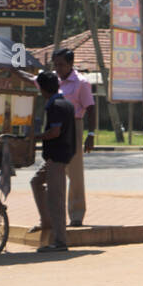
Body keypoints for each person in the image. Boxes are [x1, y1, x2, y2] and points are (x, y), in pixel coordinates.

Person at [31, 71, 75, 253]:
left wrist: (37, 137)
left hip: (57, 156)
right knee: (36, 181)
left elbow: (55, 132)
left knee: (55, 199)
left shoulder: (55, 106)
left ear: (42, 89)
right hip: (57, 155)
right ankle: (47, 221)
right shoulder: (65, 102)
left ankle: (60, 241)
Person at [52, 48, 95, 227]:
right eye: (55, 65)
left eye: (61, 64)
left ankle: (76, 214)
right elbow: (34, 81)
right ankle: (54, 216)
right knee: (54, 172)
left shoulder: (81, 83)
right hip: (55, 127)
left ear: (70, 64)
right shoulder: (53, 80)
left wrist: (90, 135)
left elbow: (91, 108)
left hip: (73, 126)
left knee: (75, 174)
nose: (58, 68)